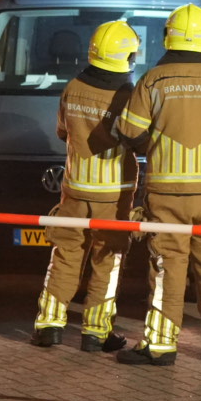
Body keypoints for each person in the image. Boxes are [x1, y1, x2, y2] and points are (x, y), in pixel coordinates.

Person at [114, 3, 201, 366]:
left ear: (167, 37)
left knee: (166, 268)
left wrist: (155, 145)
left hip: (167, 194)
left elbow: (129, 132)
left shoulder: (152, 80)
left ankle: (160, 345)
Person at [31, 21, 140, 352]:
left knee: (65, 256)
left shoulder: (73, 86)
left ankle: (48, 325)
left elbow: (63, 132)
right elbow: (138, 138)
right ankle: (96, 332)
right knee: (107, 260)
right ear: (128, 55)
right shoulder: (128, 94)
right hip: (114, 194)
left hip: (75, 189)